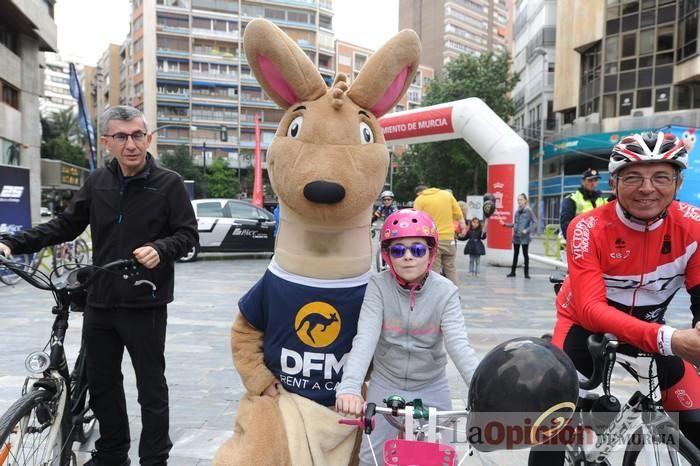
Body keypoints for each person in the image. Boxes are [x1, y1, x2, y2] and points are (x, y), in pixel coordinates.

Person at [0, 105, 198, 466]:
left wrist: (161, 248)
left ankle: (155, 459)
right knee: (104, 385)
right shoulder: (98, 182)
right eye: (121, 136)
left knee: (151, 388)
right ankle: (112, 454)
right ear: (107, 142)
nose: (131, 144)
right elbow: (65, 224)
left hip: (145, 301)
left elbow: (187, 235)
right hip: (101, 300)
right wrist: (14, 243)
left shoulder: (168, 182)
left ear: (147, 138)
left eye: (138, 134)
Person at [529, 131, 700, 465]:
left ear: (678, 183)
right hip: (583, 327)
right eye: (633, 177)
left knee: (694, 417)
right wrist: (673, 339)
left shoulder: (694, 226)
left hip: (650, 329)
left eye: (661, 177)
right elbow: (592, 310)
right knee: (554, 428)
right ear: (613, 182)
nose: (647, 188)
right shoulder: (586, 227)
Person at [335, 209, 479, 466]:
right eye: (398, 250)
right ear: (387, 256)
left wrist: (484, 392)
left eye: (417, 249)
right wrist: (349, 388)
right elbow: (364, 339)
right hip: (386, 383)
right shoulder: (378, 286)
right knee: (371, 458)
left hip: (432, 385)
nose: (408, 257)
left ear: (431, 253)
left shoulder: (446, 291)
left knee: (442, 457)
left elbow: (459, 347)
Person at [413, 185, 466, 285]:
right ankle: (454, 294)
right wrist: (463, 228)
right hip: (449, 239)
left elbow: (416, 220)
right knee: (450, 268)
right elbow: (459, 215)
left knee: (434, 270)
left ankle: (437, 296)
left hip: (432, 239)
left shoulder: (420, 199)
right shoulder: (447, 195)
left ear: (419, 193)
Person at [559, 168, 607, 261]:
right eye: (590, 180)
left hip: (596, 245)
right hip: (578, 245)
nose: (593, 183)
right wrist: (574, 245)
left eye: (595, 180)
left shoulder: (601, 199)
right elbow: (565, 224)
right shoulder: (573, 198)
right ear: (583, 181)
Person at [500, 193, 536, 279]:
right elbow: (515, 224)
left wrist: (526, 230)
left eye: (521, 200)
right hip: (516, 236)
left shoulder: (529, 211)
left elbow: (535, 223)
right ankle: (513, 272)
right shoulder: (517, 212)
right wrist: (505, 224)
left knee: (525, 254)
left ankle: (526, 274)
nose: (519, 201)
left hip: (524, 237)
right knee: (515, 254)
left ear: (525, 201)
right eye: (518, 200)